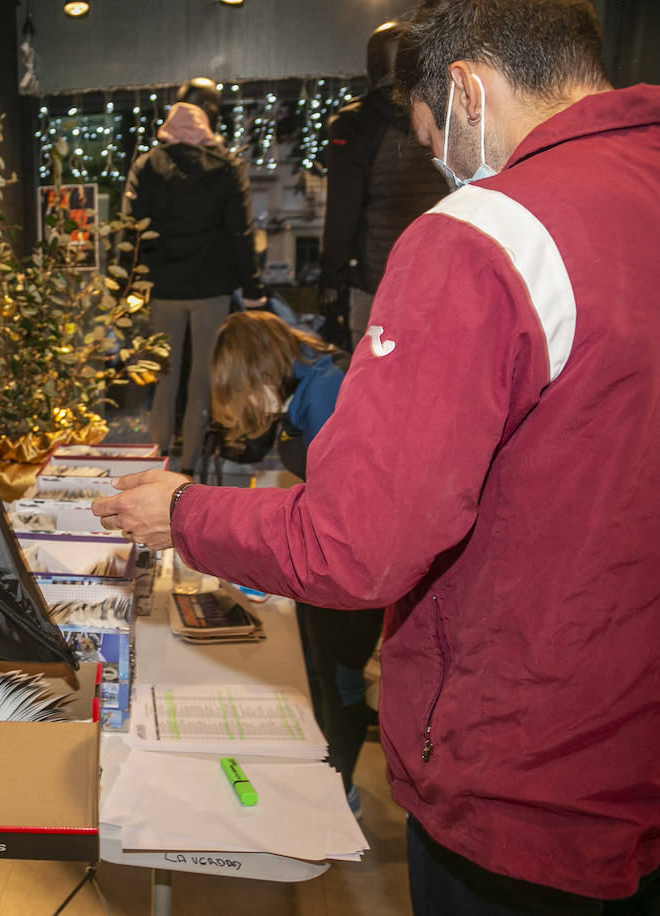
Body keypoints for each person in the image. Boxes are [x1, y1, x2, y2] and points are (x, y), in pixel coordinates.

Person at [92, 1, 660, 911]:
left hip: (528, 773)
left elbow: (357, 543)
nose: (439, 162)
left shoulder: (486, 234)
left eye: (432, 133)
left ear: (467, 91)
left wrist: (184, 512)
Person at [209, 311, 382, 817]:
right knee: (316, 673)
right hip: (324, 563)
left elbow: (343, 498)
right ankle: (327, 772)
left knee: (340, 680)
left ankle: (339, 789)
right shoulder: (307, 382)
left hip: (348, 568)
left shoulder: (325, 392)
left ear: (257, 373)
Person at [122, 77, 267, 477]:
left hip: (164, 290)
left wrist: (125, 290)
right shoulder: (226, 167)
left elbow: (130, 231)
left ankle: (158, 460)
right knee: (203, 378)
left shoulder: (146, 166)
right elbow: (242, 234)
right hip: (211, 289)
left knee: (163, 378)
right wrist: (253, 290)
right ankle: (188, 471)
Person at [317, 20, 447, 350]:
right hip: (437, 275)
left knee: (370, 385)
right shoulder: (444, 114)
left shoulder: (356, 121)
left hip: (376, 281)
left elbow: (342, 209)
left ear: (373, 63)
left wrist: (331, 277)